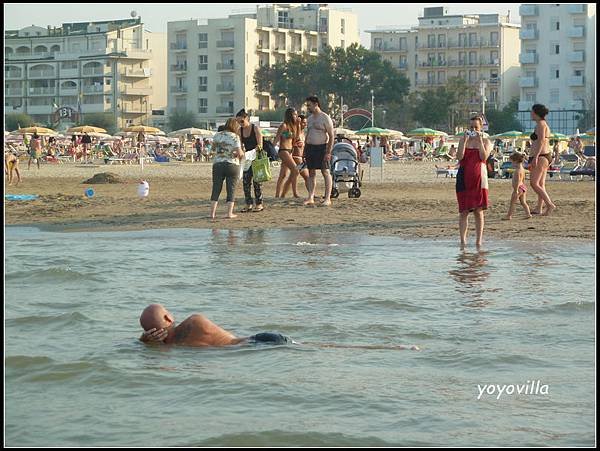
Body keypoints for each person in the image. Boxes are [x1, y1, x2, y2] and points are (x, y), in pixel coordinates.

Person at [139, 304, 419, 351]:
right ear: (167, 319)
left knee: (321, 348)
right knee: (323, 347)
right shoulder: (192, 321)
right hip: (259, 341)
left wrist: (148, 344)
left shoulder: (177, 345)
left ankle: (394, 347)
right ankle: (394, 346)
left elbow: (176, 351)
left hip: (260, 342)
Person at [456, 115, 491, 247]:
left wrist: (480, 141)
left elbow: (484, 157)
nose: (473, 130)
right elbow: (460, 157)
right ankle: (463, 241)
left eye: (476, 127)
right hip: (463, 177)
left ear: (481, 128)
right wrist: (464, 141)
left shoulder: (486, 141)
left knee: (478, 210)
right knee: (464, 210)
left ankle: (478, 240)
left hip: (479, 178)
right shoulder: (463, 140)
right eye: (471, 127)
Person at [303, 95, 335, 206]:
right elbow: (308, 134)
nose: (308, 108)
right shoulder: (310, 118)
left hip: (322, 147)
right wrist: (304, 149)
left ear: (316, 104)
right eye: (307, 105)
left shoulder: (325, 117)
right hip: (310, 147)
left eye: (309, 105)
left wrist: (328, 152)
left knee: (325, 171)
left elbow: (331, 136)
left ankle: (327, 198)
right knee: (311, 172)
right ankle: (311, 196)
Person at [209, 119, 244, 219]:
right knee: (231, 189)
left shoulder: (217, 135)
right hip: (232, 165)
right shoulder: (235, 136)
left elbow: (212, 150)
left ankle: (212, 214)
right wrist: (239, 155)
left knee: (216, 189)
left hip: (218, 164)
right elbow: (240, 153)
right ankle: (229, 213)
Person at [528, 104, 556, 216]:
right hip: (543, 156)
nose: (531, 114)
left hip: (541, 156)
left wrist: (535, 157)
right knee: (540, 183)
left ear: (536, 113)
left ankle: (549, 204)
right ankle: (539, 207)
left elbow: (541, 142)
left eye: (532, 112)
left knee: (534, 183)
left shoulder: (540, 124)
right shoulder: (542, 124)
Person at [236, 108, 265, 212]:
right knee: (246, 182)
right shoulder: (240, 130)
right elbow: (240, 145)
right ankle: (248, 203)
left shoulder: (255, 128)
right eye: (238, 122)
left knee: (257, 182)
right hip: (247, 158)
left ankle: (259, 203)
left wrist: (251, 153)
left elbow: (260, 145)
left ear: (246, 118)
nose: (240, 123)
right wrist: (241, 154)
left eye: (242, 121)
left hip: (257, 157)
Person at [274, 107, 301, 198]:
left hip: (290, 151)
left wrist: (298, 125)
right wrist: (271, 149)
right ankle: (295, 193)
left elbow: (296, 138)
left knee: (283, 174)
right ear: (290, 115)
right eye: (294, 114)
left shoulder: (293, 126)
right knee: (296, 170)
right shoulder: (284, 126)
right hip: (283, 150)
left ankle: (278, 195)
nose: (296, 116)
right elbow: (277, 138)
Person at [281, 112, 310, 198]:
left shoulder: (303, 133)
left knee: (291, 178)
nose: (305, 124)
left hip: (300, 157)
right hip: (296, 157)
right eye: (303, 122)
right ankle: (308, 194)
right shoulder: (295, 132)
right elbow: (289, 140)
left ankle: (283, 195)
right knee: (306, 176)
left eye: (306, 123)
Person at [502, 152, 532, 221]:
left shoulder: (517, 171)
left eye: (512, 162)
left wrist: (515, 190)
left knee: (512, 203)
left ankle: (509, 215)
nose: (511, 164)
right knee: (523, 202)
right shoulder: (522, 169)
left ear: (515, 161)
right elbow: (523, 179)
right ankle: (528, 213)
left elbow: (517, 181)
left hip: (518, 188)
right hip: (523, 187)